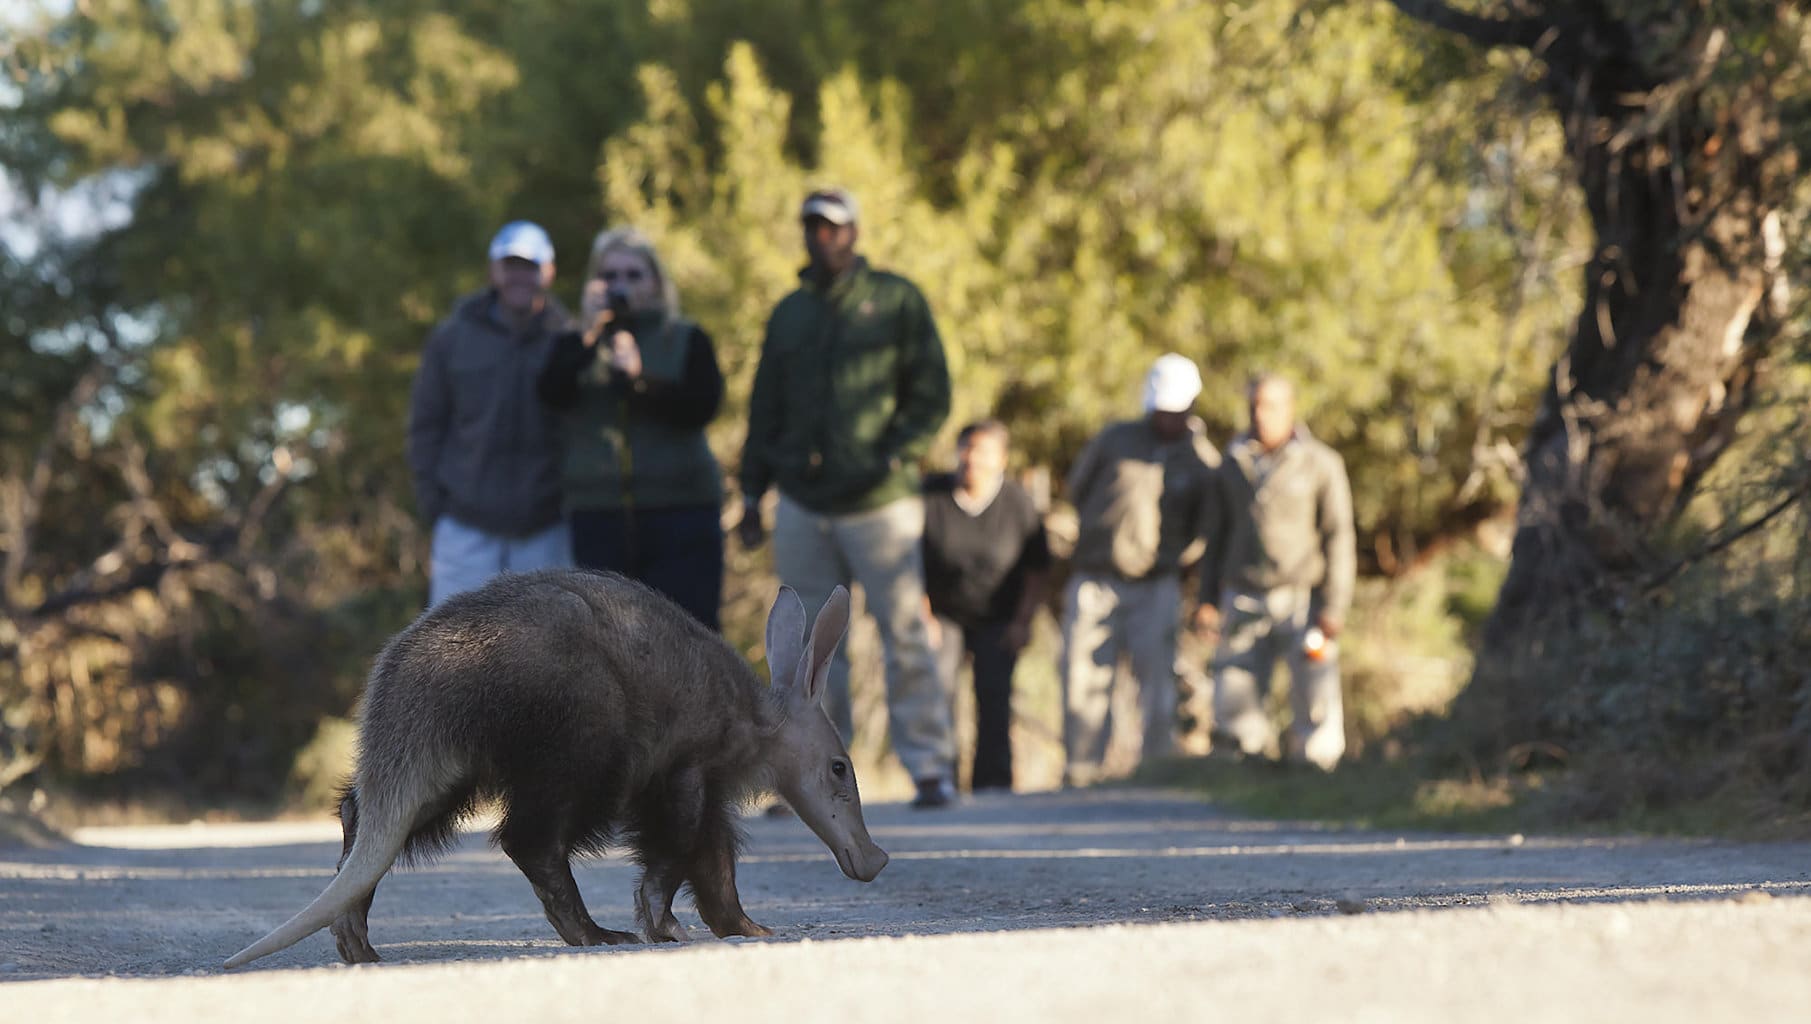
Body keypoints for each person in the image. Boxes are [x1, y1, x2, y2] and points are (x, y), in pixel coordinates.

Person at [737, 187, 956, 809]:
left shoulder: (895, 299)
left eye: (833, 227)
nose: (822, 237)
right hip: (804, 501)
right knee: (804, 652)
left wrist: (898, 452)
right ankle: (807, 775)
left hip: (879, 502)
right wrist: (752, 491)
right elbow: (765, 405)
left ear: (854, 232)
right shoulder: (790, 313)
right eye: (813, 227)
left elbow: (932, 389)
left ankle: (930, 766)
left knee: (904, 631)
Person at [536, 227, 726, 630]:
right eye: (610, 275)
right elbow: (550, 393)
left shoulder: (685, 337)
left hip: (681, 510)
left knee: (688, 637)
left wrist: (641, 380)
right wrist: (588, 334)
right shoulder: (575, 341)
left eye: (633, 275)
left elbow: (703, 407)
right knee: (605, 642)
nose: (621, 285)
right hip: (599, 512)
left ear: (655, 281)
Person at [1060, 353, 1221, 787]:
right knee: (1083, 679)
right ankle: (1082, 773)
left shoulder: (1202, 461)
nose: (1166, 418)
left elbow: (1205, 528)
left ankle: (1154, 775)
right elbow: (1077, 488)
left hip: (1157, 585)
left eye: (1174, 410)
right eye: (1160, 409)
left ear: (1191, 406)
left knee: (1157, 683)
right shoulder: (1114, 439)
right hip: (1097, 578)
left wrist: (1177, 563)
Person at [1192, 373, 1356, 771]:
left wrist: (1334, 606)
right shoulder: (1231, 463)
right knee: (1235, 689)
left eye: (1270, 406)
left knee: (1314, 692)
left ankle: (1316, 772)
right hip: (1244, 595)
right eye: (1254, 406)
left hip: (1302, 598)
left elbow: (1339, 537)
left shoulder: (1320, 463)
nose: (1261, 415)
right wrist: (1207, 599)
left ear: (1291, 409)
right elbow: (1215, 538)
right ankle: (1241, 768)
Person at [408, 221, 573, 607]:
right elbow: (426, 424)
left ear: (548, 272)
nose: (520, 276)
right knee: (453, 642)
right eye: (510, 265)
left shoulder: (568, 339)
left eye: (530, 266)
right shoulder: (452, 338)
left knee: (544, 641)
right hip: (465, 528)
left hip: (546, 528)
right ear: (493, 270)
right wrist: (435, 505)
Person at [921, 420, 1052, 793]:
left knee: (994, 694)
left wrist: (1022, 621)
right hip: (944, 612)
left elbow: (1038, 569)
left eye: (982, 451)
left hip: (1000, 615)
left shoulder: (1018, 503)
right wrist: (923, 616)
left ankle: (993, 785)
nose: (971, 459)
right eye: (965, 448)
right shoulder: (931, 495)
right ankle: (939, 778)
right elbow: (909, 562)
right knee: (940, 688)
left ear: (1002, 459)